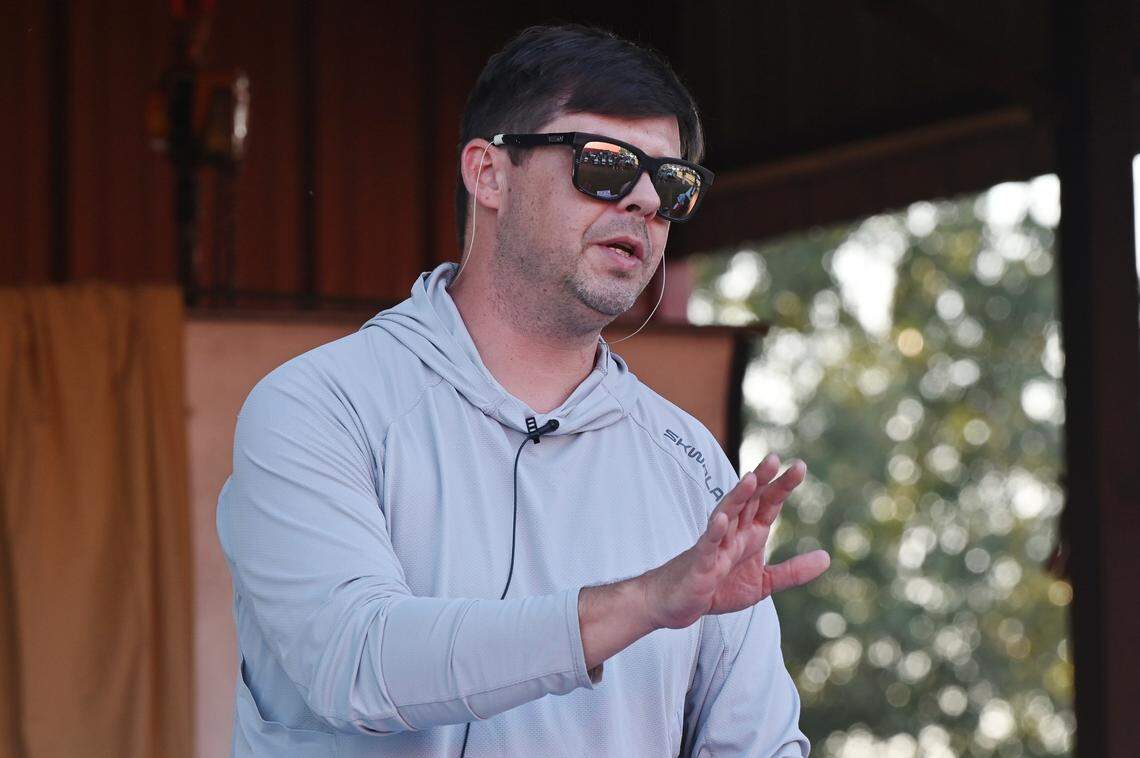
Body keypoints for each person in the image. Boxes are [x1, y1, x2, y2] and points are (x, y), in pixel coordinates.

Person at [217, 24, 831, 757]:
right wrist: (642, 602)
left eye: (671, 183)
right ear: (489, 174)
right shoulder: (319, 405)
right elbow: (355, 663)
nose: (644, 200)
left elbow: (756, 745)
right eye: (605, 164)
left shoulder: (689, 461)